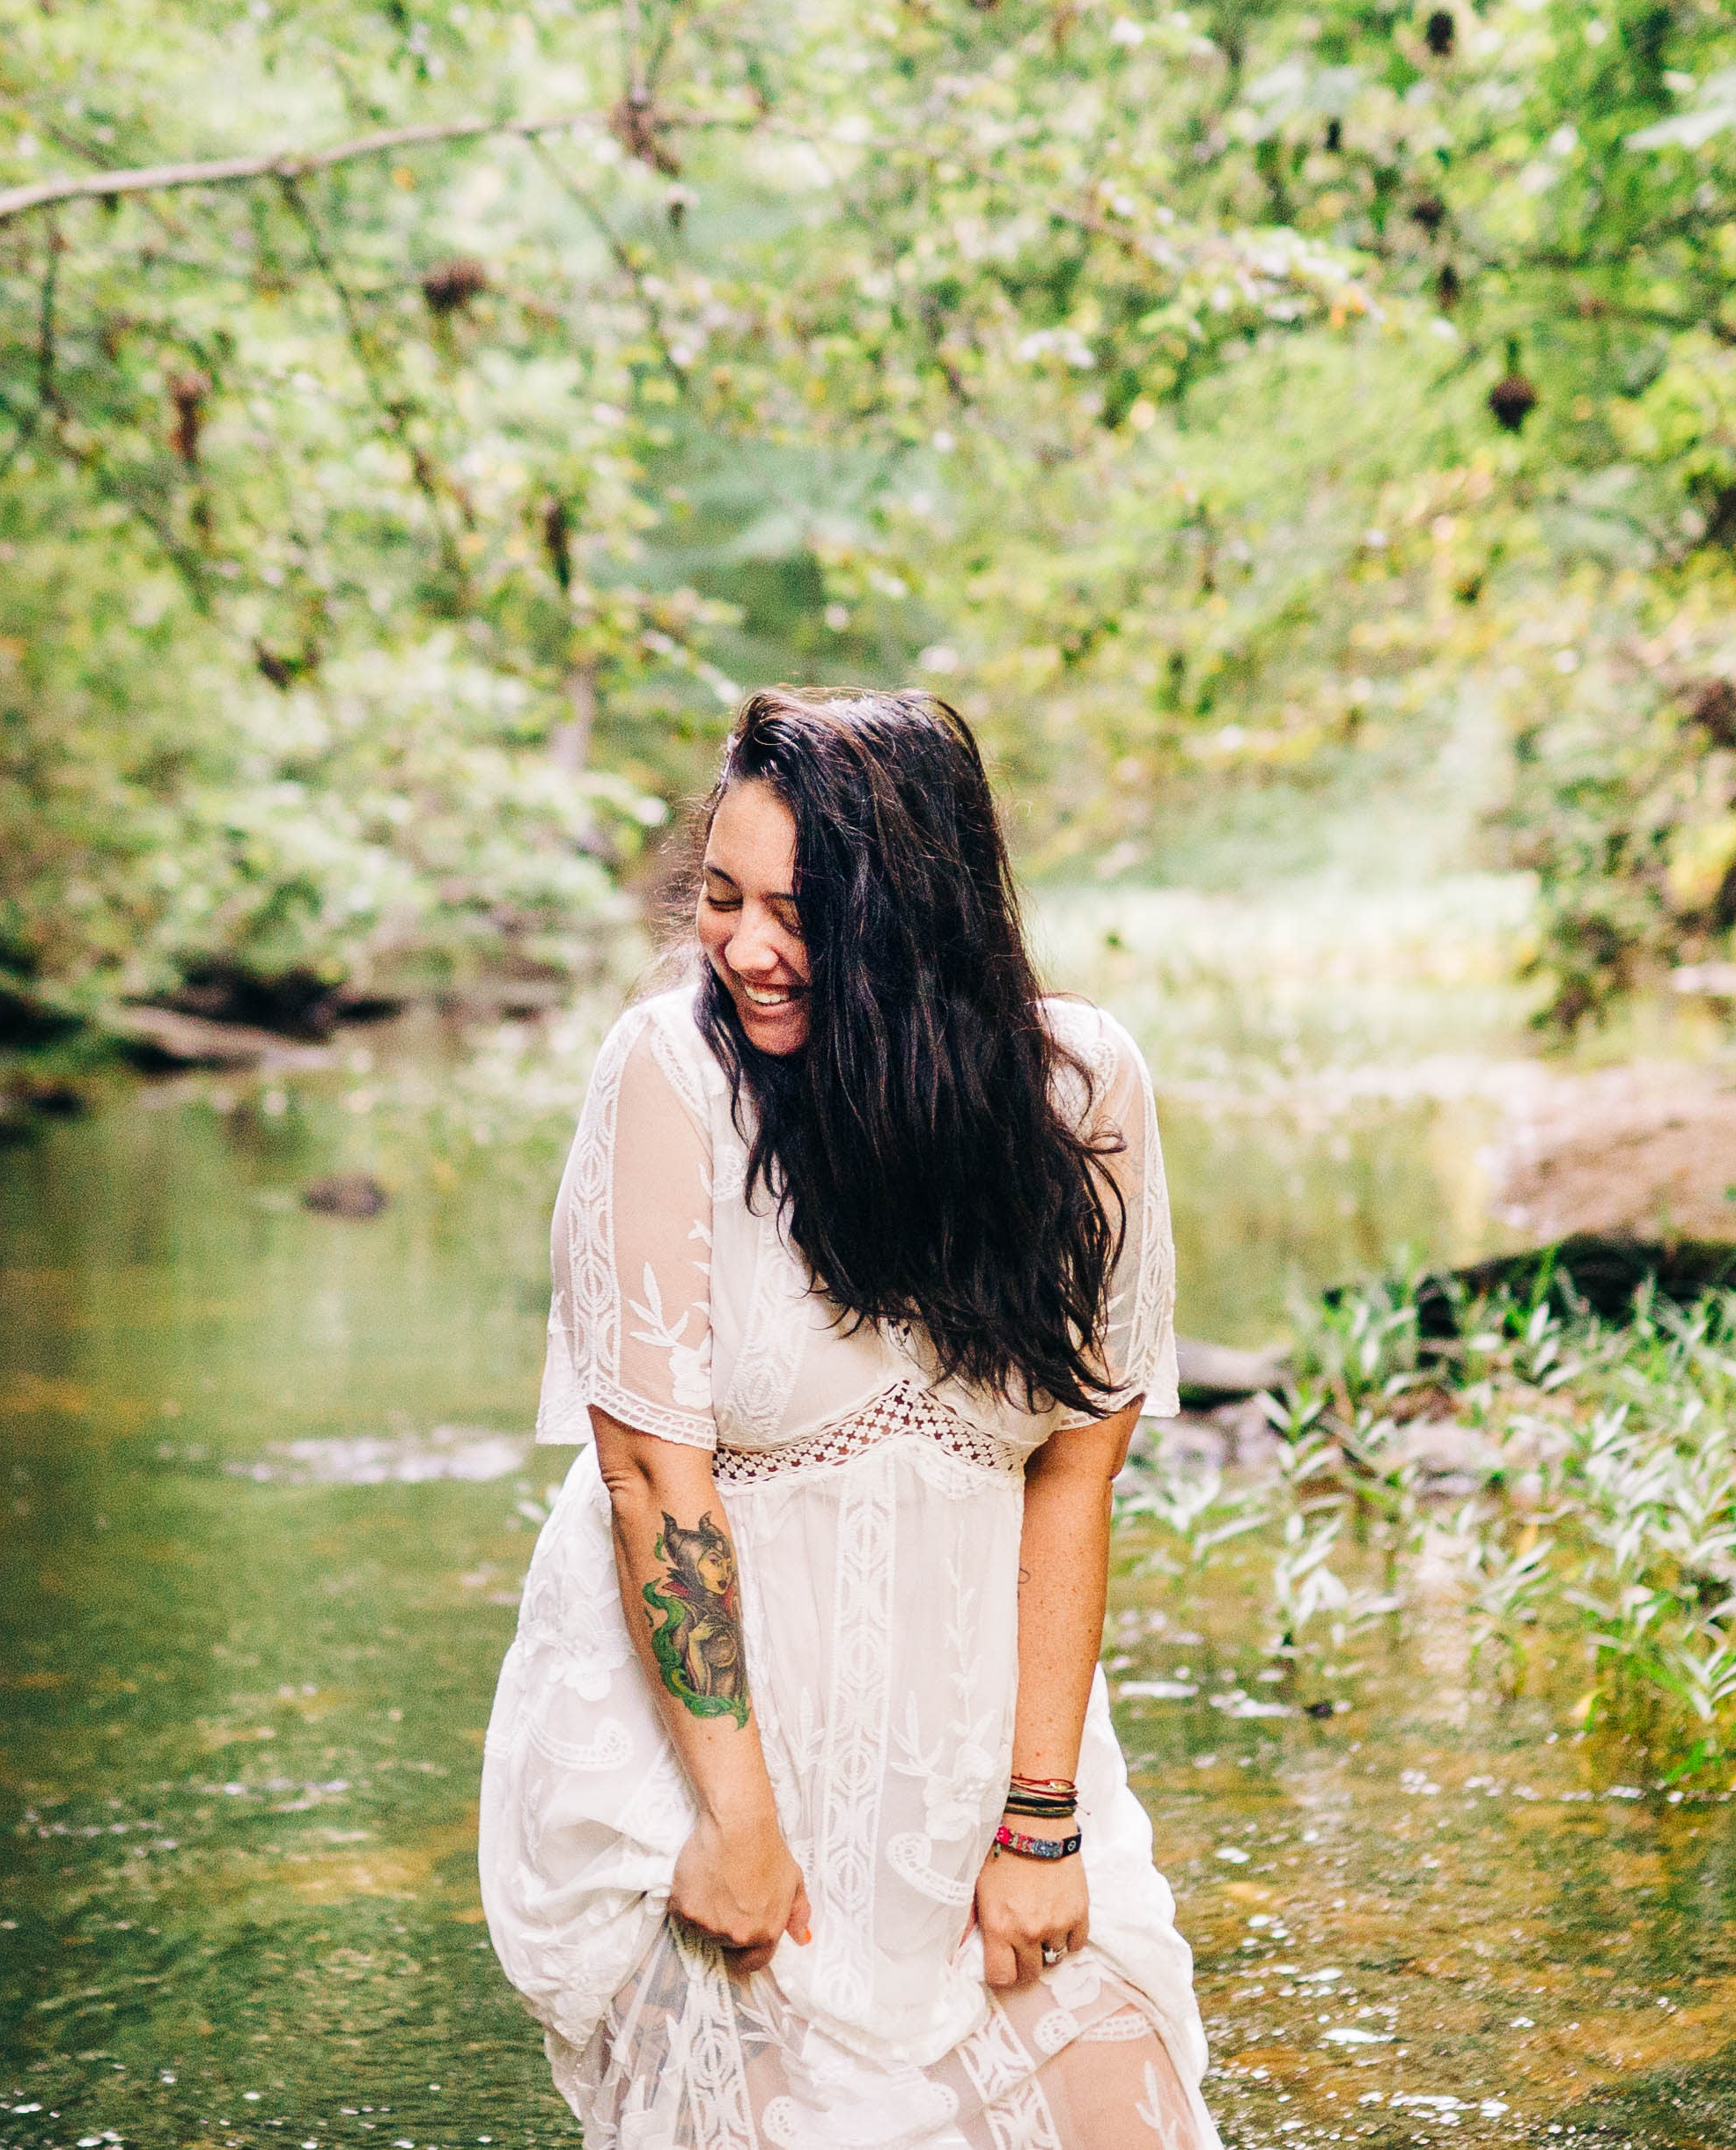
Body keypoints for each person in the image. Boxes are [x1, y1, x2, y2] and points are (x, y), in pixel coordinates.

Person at [478, 688, 1218, 2150]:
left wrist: (1042, 1821)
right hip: (705, 1761)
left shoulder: (1081, 1095)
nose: (746, 947)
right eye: (721, 896)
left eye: (798, 913)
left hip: (972, 1763)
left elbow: (1077, 1476)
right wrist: (738, 1827)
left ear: (917, 928)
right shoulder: (669, 1078)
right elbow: (647, 1477)